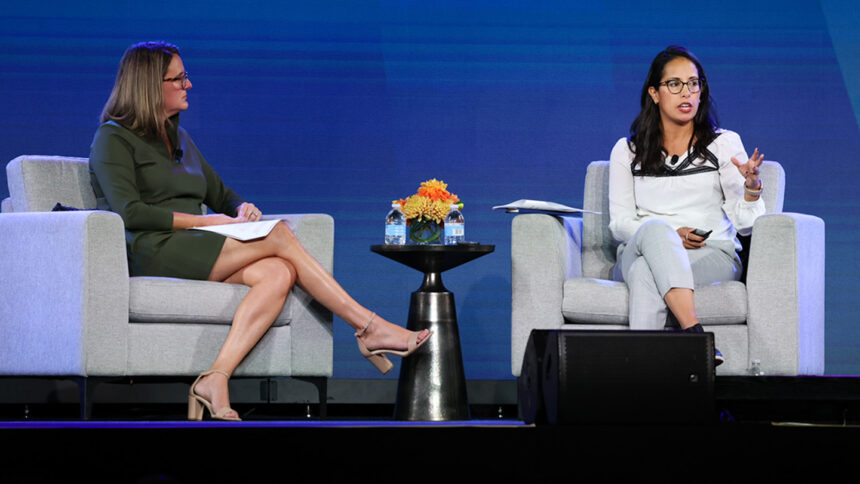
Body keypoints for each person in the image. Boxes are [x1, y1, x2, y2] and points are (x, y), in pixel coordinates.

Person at [89, 41, 431, 421]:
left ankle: (215, 377)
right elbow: (130, 212)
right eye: (179, 78)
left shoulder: (178, 138)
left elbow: (220, 194)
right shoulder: (113, 138)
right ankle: (369, 327)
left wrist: (239, 209)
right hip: (153, 248)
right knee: (279, 235)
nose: (189, 85)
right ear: (150, 86)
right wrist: (209, 221)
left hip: (197, 243)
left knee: (278, 272)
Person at [608, 46, 766, 365]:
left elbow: (747, 224)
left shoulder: (724, 144)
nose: (687, 93)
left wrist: (752, 189)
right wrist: (668, 235)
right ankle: (694, 333)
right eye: (675, 84)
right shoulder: (627, 151)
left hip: (712, 253)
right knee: (653, 234)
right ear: (654, 93)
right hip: (639, 247)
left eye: (694, 83)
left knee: (644, 274)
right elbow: (619, 224)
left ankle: (644, 380)